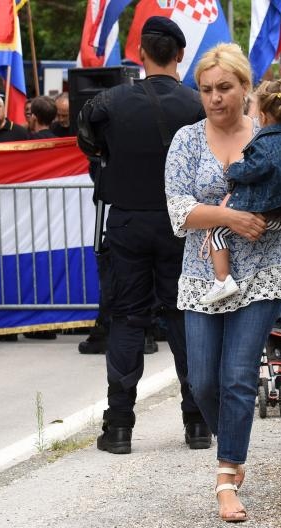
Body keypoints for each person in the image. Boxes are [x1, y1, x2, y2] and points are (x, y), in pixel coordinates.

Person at [165, 41, 281, 523]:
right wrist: (231, 216)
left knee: (237, 376)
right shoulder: (186, 140)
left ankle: (227, 474)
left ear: (246, 87)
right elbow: (178, 210)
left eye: (225, 87)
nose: (215, 97)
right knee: (202, 380)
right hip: (203, 275)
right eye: (206, 89)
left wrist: (262, 220)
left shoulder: (276, 132)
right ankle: (231, 444)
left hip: (261, 271)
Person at [81, 16, 209, 455]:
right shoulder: (196, 104)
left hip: (128, 222)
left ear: (140, 53)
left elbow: (89, 140)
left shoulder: (109, 102)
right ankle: (197, 422)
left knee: (127, 319)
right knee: (184, 317)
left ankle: (119, 427)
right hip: (182, 222)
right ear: (180, 54)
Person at [200, 80, 281, 304]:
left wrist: (233, 170)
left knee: (217, 231)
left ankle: (222, 280)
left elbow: (253, 170)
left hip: (262, 212)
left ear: (264, 116)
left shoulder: (263, 142)